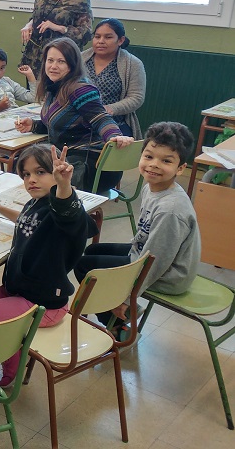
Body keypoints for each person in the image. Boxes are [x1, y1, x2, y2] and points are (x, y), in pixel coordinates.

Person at [0, 144, 95, 387]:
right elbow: (27, 221)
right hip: (21, 291)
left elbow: (69, 215)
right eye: (26, 174)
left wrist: (64, 186)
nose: (31, 179)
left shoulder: (61, 208)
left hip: (42, 304)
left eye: (40, 172)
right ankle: (11, 363)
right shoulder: (36, 203)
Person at [75, 122, 201, 330]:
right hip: (147, 254)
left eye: (166, 160)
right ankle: (115, 307)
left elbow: (157, 261)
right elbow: (147, 238)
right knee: (92, 251)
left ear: (180, 168)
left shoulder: (170, 210)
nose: (154, 165)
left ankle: (119, 324)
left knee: (84, 267)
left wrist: (128, 297)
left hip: (169, 274)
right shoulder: (152, 187)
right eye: (149, 156)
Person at [14, 38, 134, 190]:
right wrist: (34, 125)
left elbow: (101, 118)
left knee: (32, 172)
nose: (53, 66)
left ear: (72, 64)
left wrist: (115, 136)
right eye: (50, 60)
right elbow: (63, 125)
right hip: (69, 157)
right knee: (23, 164)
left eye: (61, 61)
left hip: (92, 166)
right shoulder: (54, 86)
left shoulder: (80, 89)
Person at [20, 0, 93, 79]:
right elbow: (37, 16)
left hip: (62, 58)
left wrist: (58, 28)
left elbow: (85, 33)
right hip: (35, 56)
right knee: (33, 90)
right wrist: (29, 25)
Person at [82, 18, 146, 141]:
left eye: (108, 37)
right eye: (97, 36)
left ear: (120, 40)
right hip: (79, 122)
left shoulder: (133, 64)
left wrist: (111, 109)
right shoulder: (79, 58)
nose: (101, 41)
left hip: (116, 123)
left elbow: (136, 97)